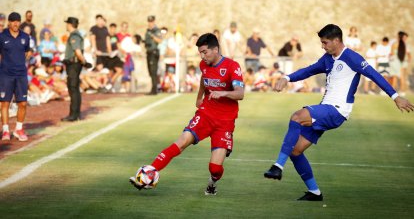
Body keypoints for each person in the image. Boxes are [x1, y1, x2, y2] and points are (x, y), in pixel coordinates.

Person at [263, 24, 414, 201]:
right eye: (321, 42)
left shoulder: (352, 57)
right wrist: (286, 78)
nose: (323, 46)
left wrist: (395, 96)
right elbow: (309, 70)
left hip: (337, 110)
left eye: (325, 42)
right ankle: (314, 192)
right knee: (295, 151)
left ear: (336, 40)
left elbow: (374, 75)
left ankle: (277, 166)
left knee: (297, 116)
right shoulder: (328, 58)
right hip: (326, 108)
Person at [129, 33, 245, 195]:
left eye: (205, 52)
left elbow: (240, 93)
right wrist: (199, 98)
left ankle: (212, 183)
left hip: (225, 121)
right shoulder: (203, 65)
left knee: (215, 168)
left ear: (216, 49)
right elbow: (204, 81)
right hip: (206, 114)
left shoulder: (233, 66)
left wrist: (223, 93)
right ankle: (149, 172)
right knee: (182, 141)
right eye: (200, 53)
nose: (202, 56)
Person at [0, 12, 31, 141]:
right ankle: (6, 131)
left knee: (23, 103)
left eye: (17, 21)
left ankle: (18, 129)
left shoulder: (25, 36)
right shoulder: (2, 37)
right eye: (13, 21)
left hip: (21, 74)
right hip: (6, 75)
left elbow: (27, 51)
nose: (15, 23)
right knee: (4, 103)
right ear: (9, 22)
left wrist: (21, 61)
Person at [62, 17, 91, 122]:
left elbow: (77, 52)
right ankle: (75, 114)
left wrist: (84, 62)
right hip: (73, 64)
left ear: (70, 24)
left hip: (73, 65)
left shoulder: (74, 36)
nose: (66, 25)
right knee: (74, 89)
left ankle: (74, 115)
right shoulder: (76, 35)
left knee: (73, 88)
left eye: (67, 23)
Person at [144, 15, 162, 95]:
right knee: (150, 71)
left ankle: (154, 89)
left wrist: (152, 36)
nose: (150, 23)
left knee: (153, 71)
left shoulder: (156, 30)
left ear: (154, 21)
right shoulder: (147, 30)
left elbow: (159, 40)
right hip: (148, 52)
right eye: (149, 21)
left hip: (154, 53)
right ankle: (154, 87)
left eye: (151, 21)